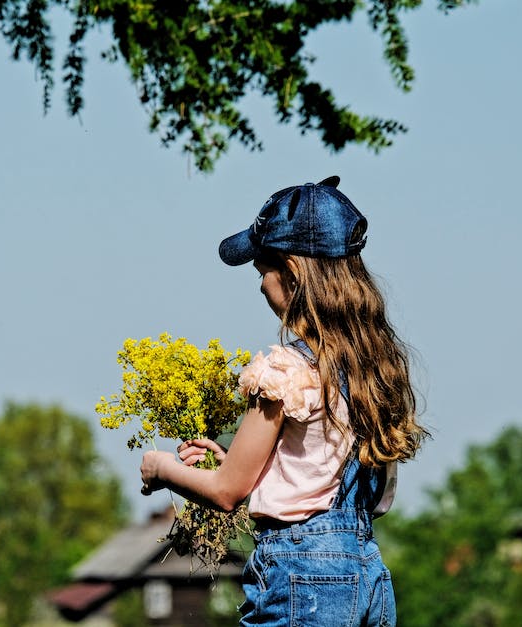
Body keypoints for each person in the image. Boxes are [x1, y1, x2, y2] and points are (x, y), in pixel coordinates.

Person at [139, 176, 428, 626]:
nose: (259, 287)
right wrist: (235, 458)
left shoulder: (283, 371)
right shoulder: (374, 367)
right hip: (368, 574)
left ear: (292, 274)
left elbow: (225, 491)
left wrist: (161, 468)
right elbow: (316, 475)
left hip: (303, 578)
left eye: (262, 272)